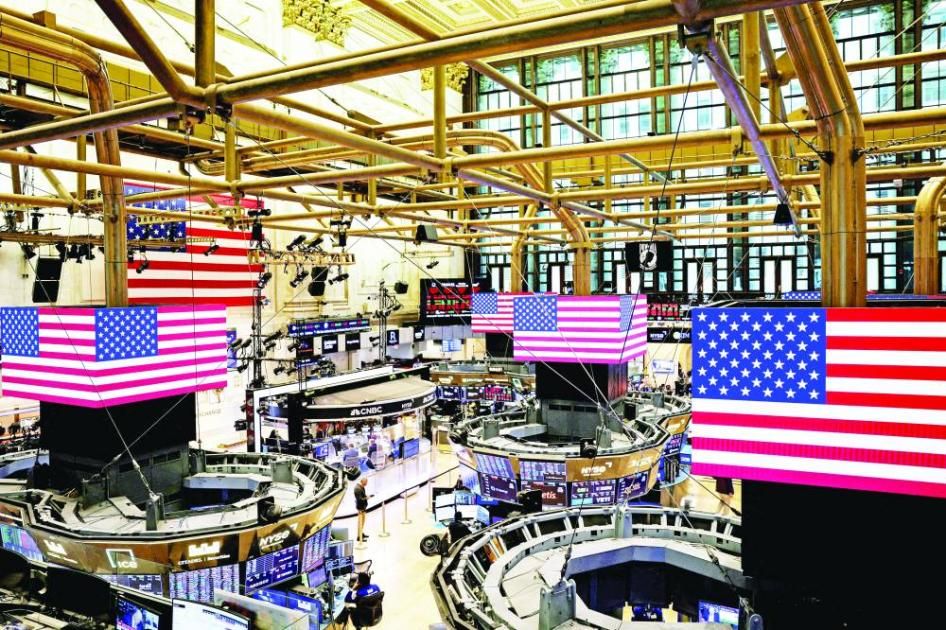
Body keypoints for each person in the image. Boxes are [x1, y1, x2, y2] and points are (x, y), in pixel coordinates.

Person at [354, 477, 369, 542]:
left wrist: (366, 496)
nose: (367, 483)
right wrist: (366, 498)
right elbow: (359, 499)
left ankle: (361, 533)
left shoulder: (362, 487)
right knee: (360, 522)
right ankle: (359, 537)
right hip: (360, 508)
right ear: (362, 481)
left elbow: (362, 496)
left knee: (363, 522)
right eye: (366, 482)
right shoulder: (357, 489)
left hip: (363, 507)